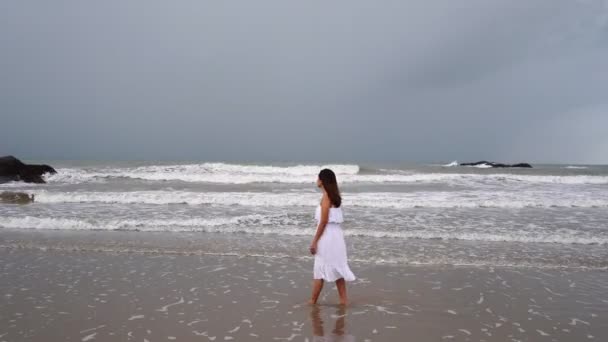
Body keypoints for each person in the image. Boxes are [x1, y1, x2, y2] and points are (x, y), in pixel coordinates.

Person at [309, 168, 356, 305]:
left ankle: (312, 301)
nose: (316, 180)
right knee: (337, 268)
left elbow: (323, 222)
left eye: (318, 178)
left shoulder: (326, 198)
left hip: (327, 236)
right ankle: (343, 301)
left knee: (319, 270)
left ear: (322, 181)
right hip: (337, 236)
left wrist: (314, 241)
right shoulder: (335, 196)